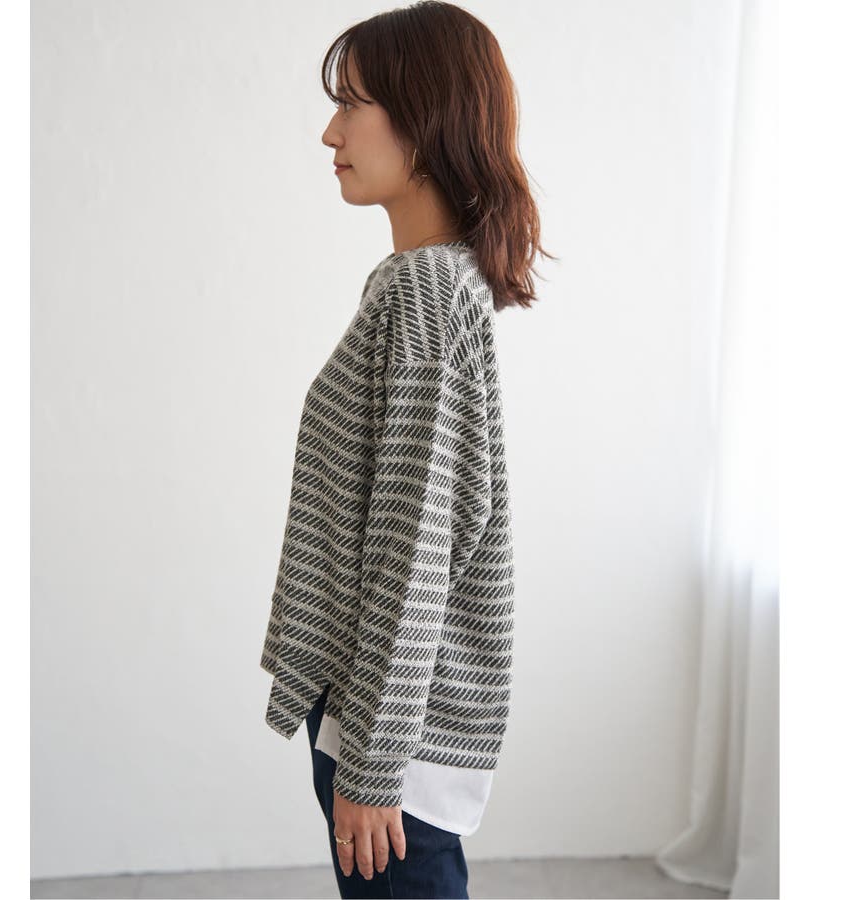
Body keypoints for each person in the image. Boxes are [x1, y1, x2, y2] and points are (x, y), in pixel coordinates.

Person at [260, 2, 554, 896]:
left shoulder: (425, 294)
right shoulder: (423, 283)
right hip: (383, 712)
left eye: (352, 105)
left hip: (391, 732)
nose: (330, 132)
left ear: (425, 121)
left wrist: (372, 764)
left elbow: (415, 545)